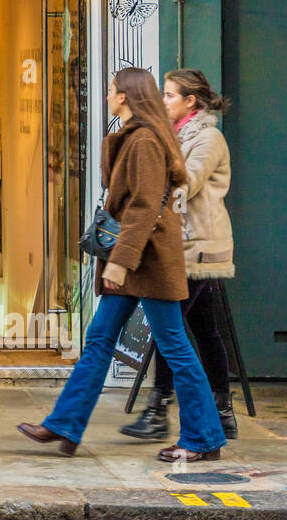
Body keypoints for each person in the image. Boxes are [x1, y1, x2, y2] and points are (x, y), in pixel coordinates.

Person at [18, 67, 226, 462]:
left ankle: (203, 437)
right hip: (133, 264)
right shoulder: (134, 137)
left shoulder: (146, 140)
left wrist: (120, 262)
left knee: (176, 347)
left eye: (111, 90)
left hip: (147, 264)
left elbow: (145, 206)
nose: (107, 95)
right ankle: (64, 424)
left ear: (125, 97)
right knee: (99, 342)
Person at [121, 69, 238, 441]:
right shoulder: (172, 135)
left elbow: (187, 182)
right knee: (203, 330)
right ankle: (222, 411)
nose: (163, 101)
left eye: (170, 95)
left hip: (198, 247)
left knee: (168, 330)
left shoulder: (208, 138)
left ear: (191, 101)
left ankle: (159, 410)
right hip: (183, 245)